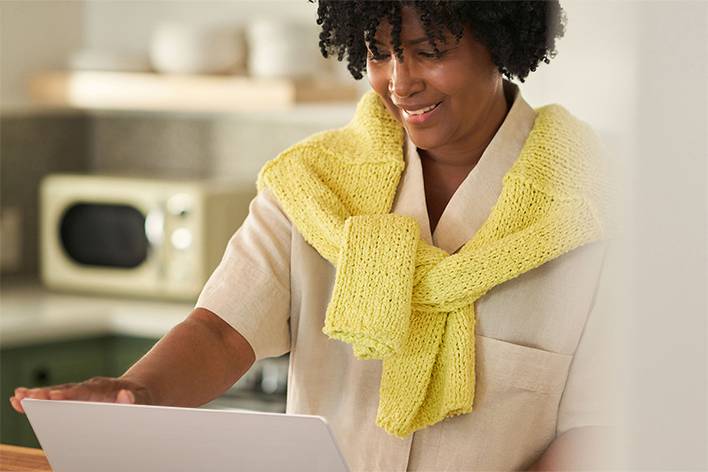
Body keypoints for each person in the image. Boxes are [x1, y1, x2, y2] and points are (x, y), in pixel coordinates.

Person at [11, 1, 616, 470]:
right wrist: (135, 394)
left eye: (428, 50)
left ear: (501, 39)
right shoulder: (313, 185)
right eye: (379, 54)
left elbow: (601, 431)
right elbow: (222, 330)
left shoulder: (596, 205)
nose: (399, 83)